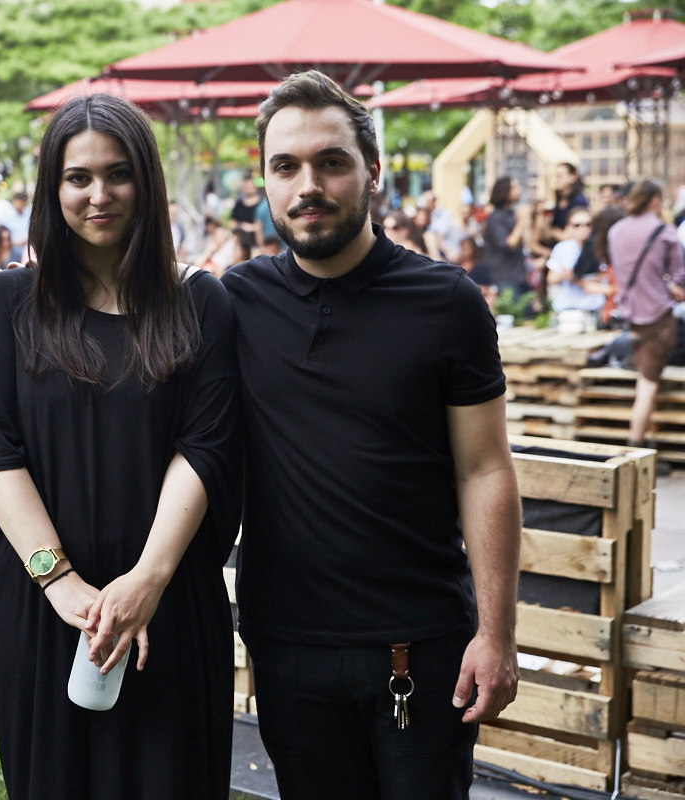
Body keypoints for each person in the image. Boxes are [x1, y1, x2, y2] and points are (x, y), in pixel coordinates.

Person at [221, 71, 521, 800]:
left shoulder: (446, 301)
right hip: (287, 646)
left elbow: (485, 469)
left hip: (421, 645)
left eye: (331, 162)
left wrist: (497, 634)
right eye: (285, 167)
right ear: (264, 181)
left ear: (373, 171)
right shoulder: (234, 302)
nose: (308, 186)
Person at [0, 92, 241, 800]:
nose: (98, 195)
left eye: (118, 174)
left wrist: (146, 582)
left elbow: (204, 448)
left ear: (147, 182)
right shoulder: (4, 303)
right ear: (52, 190)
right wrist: (60, 583)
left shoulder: (200, 303)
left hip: (170, 601)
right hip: (39, 609)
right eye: (77, 177)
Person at [607, 179, 685, 455]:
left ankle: (639, 440)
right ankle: (636, 445)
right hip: (657, 318)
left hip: (629, 316)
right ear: (654, 200)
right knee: (648, 384)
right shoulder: (664, 231)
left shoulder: (616, 230)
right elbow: (679, 276)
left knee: (644, 376)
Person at [546, 207, 606, 315]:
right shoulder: (562, 248)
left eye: (588, 224)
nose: (583, 228)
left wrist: (577, 278)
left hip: (593, 306)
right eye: (577, 225)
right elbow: (551, 278)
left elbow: (603, 277)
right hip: (568, 307)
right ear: (568, 227)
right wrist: (565, 274)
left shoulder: (598, 248)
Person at [483, 176, 529, 299]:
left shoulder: (510, 214)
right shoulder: (495, 217)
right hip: (506, 278)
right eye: (515, 187)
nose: (519, 190)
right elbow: (509, 244)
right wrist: (521, 221)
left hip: (519, 276)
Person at [550, 162, 589, 240]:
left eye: (560, 176)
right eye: (555, 176)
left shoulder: (579, 202)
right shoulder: (559, 200)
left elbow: (567, 236)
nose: (557, 180)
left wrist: (550, 230)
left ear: (572, 177)